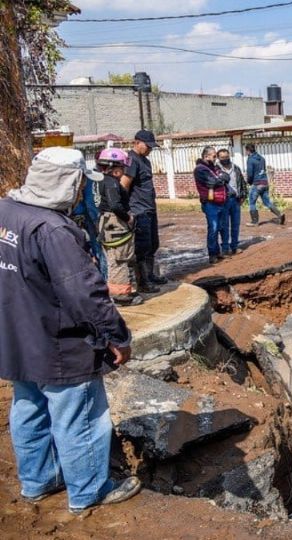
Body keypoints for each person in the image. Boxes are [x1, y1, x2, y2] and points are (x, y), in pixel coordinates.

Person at [0, 147, 142, 515]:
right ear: (68, 182)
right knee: (78, 417)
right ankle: (89, 491)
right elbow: (85, 295)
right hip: (59, 344)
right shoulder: (54, 230)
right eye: (80, 184)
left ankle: (38, 482)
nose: (82, 192)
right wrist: (117, 335)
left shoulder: (6, 212)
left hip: (17, 338)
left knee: (28, 409)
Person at [95, 148, 142, 306]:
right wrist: (128, 217)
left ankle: (121, 292)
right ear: (113, 167)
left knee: (116, 259)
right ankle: (122, 297)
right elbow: (115, 205)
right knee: (119, 260)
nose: (123, 171)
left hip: (106, 224)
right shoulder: (111, 184)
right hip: (115, 225)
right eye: (122, 167)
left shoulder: (99, 180)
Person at [121, 129, 166, 294]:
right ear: (136, 142)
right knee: (142, 247)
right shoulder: (131, 160)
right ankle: (143, 282)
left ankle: (151, 274)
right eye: (147, 146)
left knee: (153, 244)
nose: (149, 149)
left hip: (149, 208)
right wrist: (127, 211)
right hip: (138, 210)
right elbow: (124, 186)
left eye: (151, 147)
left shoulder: (145, 161)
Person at [194, 146, 230, 264]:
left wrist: (220, 178)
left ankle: (218, 252)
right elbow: (212, 182)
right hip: (210, 203)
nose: (216, 159)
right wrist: (220, 179)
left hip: (220, 201)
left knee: (221, 227)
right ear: (206, 156)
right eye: (214, 156)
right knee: (213, 228)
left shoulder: (213, 167)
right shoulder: (200, 169)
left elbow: (226, 176)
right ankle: (212, 255)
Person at [244, 143, 285, 226]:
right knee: (267, 202)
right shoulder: (262, 158)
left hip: (257, 183)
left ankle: (254, 221)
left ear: (248, 150)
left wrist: (249, 182)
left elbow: (250, 173)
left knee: (252, 202)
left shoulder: (250, 159)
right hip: (265, 183)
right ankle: (280, 215)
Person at [217, 148, 246, 256]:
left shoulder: (236, 168)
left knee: (235, 225)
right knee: (224, 225)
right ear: (219, 158)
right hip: (223, 201)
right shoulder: (216, 170)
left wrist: (243, 196)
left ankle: (234, 246)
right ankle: (225, 248)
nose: (225, 159)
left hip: (235, 200)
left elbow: (242, 182)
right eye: (222, 157)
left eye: (227, 157)